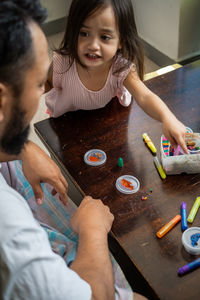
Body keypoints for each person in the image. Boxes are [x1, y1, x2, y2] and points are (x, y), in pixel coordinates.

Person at [0, 1, 146, 299]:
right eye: (39, 82)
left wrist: (24, 148)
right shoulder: (8, 229)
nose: (44, 92)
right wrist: (92, 231)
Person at [45, 0, 188, 154]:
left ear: (121, 41)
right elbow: (44, 84)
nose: (93, 45)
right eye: (84, 33)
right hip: (67, 125)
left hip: (105, 122)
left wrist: (167, 117)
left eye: (104, 37)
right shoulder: (63, 63)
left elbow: (145, 96)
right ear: (73, 32)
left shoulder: (121, 69)